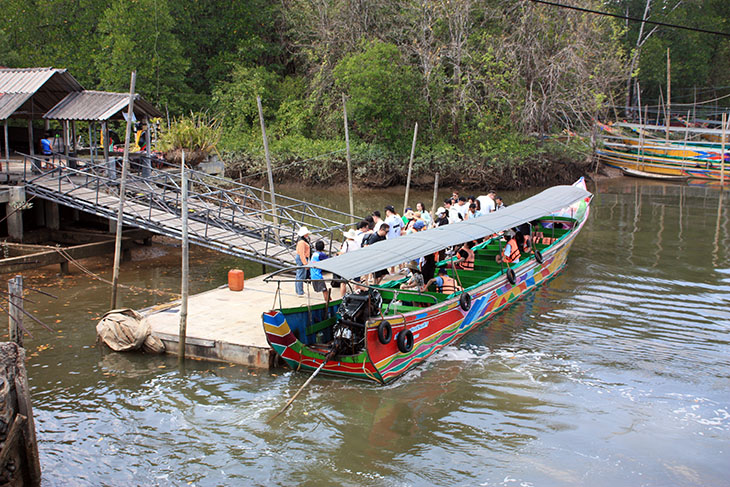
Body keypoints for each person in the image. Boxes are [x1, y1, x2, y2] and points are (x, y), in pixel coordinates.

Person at [295, 226, 311, 297]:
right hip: (302, 258)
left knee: (299, 275)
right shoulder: (301, 242)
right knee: (301, 275)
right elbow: (302, 254)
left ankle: (298, 290)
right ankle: (300, 292)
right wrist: (305, 263)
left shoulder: (302, 240)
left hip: (302, 257)